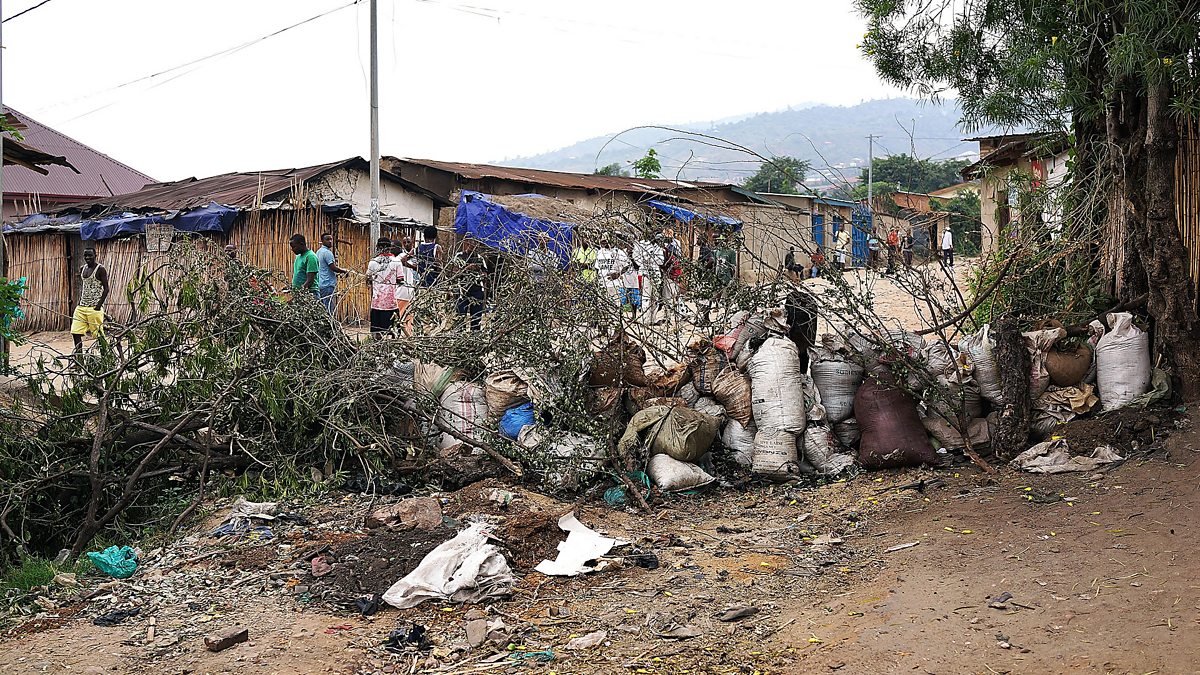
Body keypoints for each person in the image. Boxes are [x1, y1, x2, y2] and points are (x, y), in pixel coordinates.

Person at [71, 247, 110, 354]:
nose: (87, 258)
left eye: (90, 255)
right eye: (86, 256)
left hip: (94, 308)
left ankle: (105, 360)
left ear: (95, 256)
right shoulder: (82, 269)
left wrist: (98, 306)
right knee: (75, 332)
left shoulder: (100, 269)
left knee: (99, 336)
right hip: (81, 307)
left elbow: (106, 289)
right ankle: (80, 360)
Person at [451, 237, 489, 330]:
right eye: (472, 243)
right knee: (460, 317)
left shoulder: (480, 259)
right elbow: (454, 273)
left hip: (476, 291)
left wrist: (479, 271)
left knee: (476, 319)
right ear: (466, 243)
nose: (475, 245)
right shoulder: (459, 256)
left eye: (477, 243)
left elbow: (485, 276)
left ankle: (474, 339)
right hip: (462, 291)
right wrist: (467, 268)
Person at [366, 238, 398, 338]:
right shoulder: (397, 262)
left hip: (377, 303)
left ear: (378, 247)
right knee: (392, 331)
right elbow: (401, 280)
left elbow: (367, 280)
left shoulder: (372, 263)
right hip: (391, 303)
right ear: (390, 248)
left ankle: (378, 351)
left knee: (377, 332)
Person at [632, 235, 665, 324]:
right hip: (645, 274)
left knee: (655, 298)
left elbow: (661, 261)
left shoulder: (658, 247)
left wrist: (652, 258)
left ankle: (652, 319)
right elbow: (636, 259)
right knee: (646, 298)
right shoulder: (641, 245)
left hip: (656, 275)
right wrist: (646, 261)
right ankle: (645, 320)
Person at [315, 232, 350, 313]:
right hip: (327, 284)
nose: (330, 241)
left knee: (322, 307)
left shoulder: (319, 252)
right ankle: (330, 324)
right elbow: (333, 267)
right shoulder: (327, 253)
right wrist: (344, 271)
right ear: (322, 241)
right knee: (328, 307)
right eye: (327, 239)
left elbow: (325, 268)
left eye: (331, 239)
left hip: (320, 283)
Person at [594, 236, 630, 308]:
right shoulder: (600, 252)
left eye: (605, 241)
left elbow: (627, 265)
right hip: (602, 285)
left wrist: (618, 274)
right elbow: (597, 268)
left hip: (615, 284)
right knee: (603, 307)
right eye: (602, 241)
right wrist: (597, 281)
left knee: (615, 307)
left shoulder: (618, 252)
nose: (604, 243)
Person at [391, 237, 417, 335]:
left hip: (400, 293)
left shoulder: (398, 258)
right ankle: (408, 338)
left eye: (393, 247)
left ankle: (398, 338)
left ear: (398, 247)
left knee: (397, 318)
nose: (391, 249)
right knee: (408, 319)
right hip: (409, 293)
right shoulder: (405, 257)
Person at [620, 242, 643, 321]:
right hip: (623, 280)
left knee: (634, 301)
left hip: (633, 281)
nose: (630, 247)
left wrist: (632, 258)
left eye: (631, 245)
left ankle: (634, 316)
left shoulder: (636, 254)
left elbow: (637, 267)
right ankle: (620, 316)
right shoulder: (621, 253)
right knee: (622, 299)